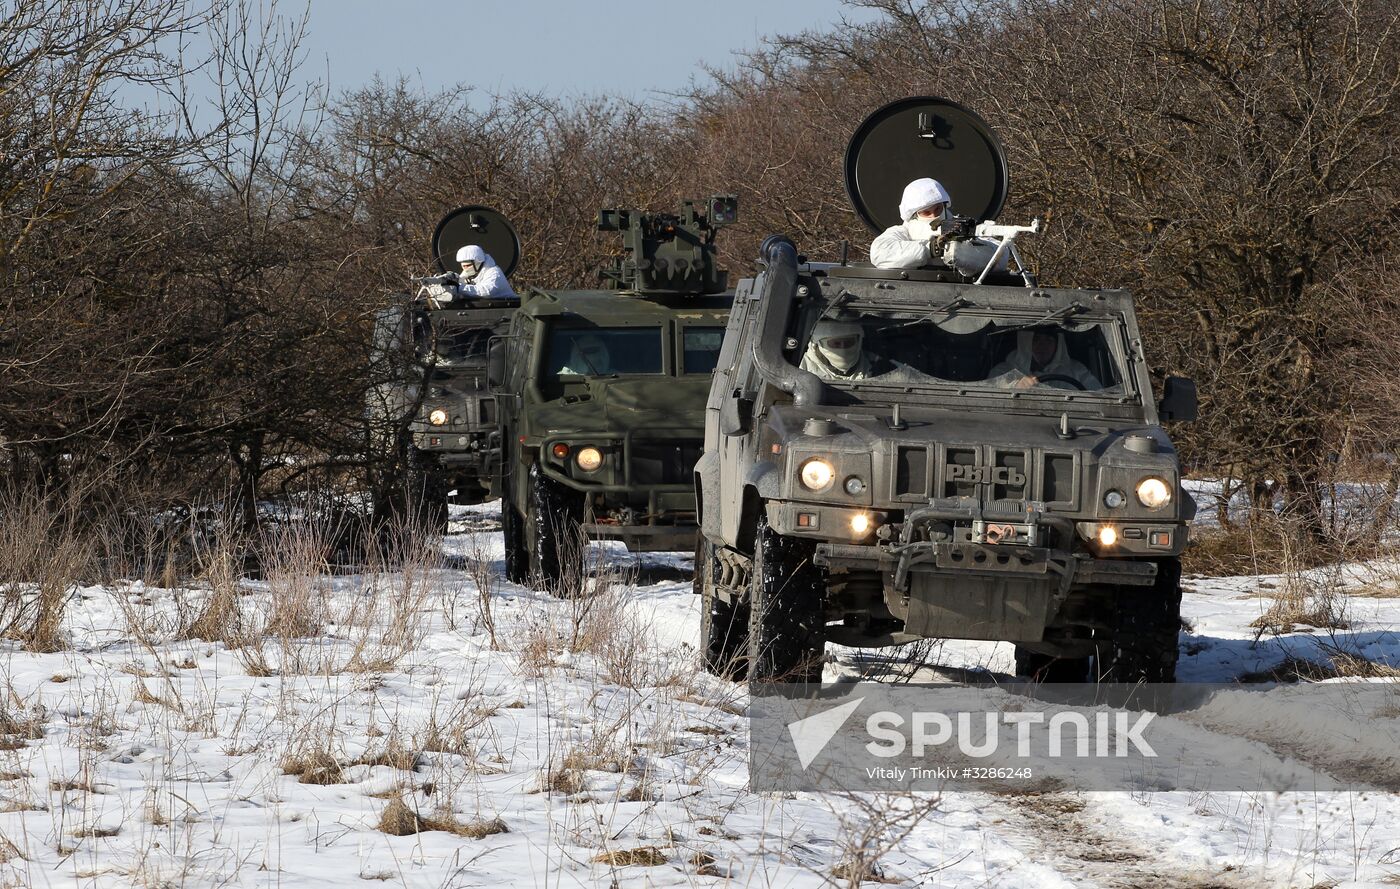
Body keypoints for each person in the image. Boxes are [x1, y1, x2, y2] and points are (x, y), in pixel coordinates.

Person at [870, 178, 953, 270]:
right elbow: (879, 253)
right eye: (926, 212)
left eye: (937, 209)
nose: (933, 215)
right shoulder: (904, 232)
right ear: (914, 215)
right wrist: (930, 249)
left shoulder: (960, 227)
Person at [986, 328, 1101, 390]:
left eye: (1049, 340)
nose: (1042, 346)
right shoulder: (1003, 371)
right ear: (1026, 343)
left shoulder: (1076, 371)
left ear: (1058, 345)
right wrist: (1016, 386)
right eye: (1036, 340)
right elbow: (987, 394)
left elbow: (1098, 395)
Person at [800, 319, 888, 380]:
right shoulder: (800, 369)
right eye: (836, 344)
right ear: (819, 343)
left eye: (849, 342)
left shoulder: (881, 368)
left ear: (859, 342)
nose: (843, 349)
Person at [449, 245, 515, 299]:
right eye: (463, 266)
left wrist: (459, 287)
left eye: (468, 265)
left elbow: (486, 291)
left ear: (478, 262)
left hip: (506, 308)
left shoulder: (494, 273)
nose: (465, 269)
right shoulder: (470, 273)